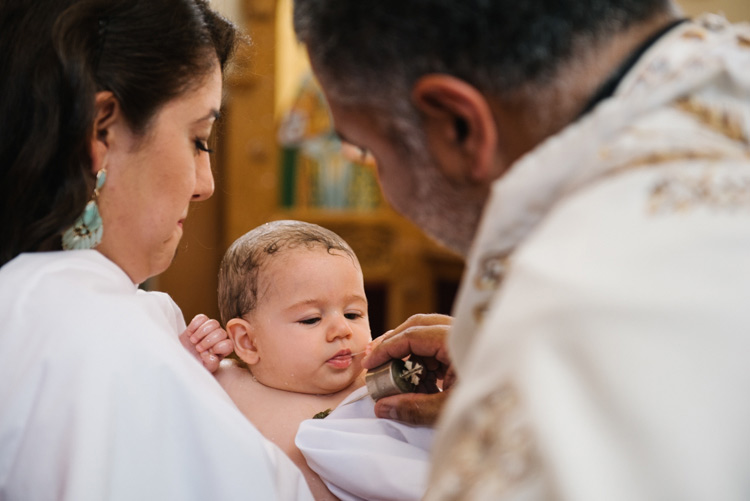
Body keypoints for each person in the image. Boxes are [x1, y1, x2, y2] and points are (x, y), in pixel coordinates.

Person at [293, 1, 750, 499]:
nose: (387, 192)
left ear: (458, 125)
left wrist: (513, 391)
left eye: (369, 150)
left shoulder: (561, 328)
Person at [0, 1, 312, 499]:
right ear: (101, 131)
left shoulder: (65, 309)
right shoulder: (96, 340)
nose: (205, 184)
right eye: (198, 139)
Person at [215, 219, 438, 501]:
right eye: (311, 319)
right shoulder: (229, 381)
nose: (342, 330)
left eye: (353, 314)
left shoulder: (376, 387)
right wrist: (199, 346)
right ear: (247, 341)